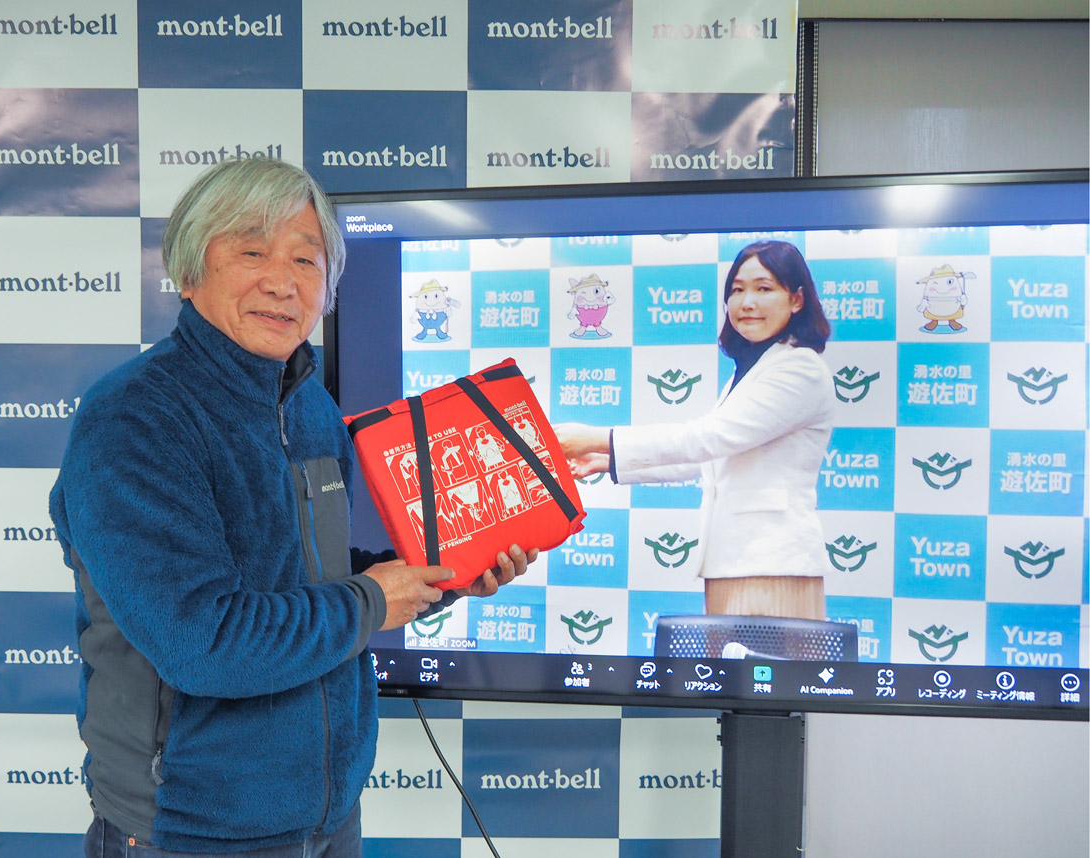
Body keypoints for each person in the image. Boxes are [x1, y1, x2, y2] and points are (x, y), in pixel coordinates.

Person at [49, 158, 534, 857]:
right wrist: (373, 601)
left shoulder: (310, 405)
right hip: (192, 830)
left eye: (306, 260)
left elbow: (314, 576)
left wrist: (446, 571)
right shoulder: (135, 418)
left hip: (328, 817)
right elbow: (203, 644)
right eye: (252, 252)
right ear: (190, 271)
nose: (283, 282)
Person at [555, 240, 833, 620]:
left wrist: (596, 438)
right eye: (737, 290)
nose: (747, 302)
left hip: (772, 563)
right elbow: (712, 458)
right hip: (733, 562)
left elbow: (706, 438)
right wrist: (606, 460)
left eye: (764, 288)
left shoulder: (800, 368)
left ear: (797, 300)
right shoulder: (753, 369)